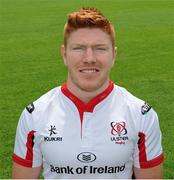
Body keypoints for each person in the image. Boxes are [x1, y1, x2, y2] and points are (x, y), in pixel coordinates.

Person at [12, 7, 164, 179]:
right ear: (64, 54)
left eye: (100, 48)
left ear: (113, 55)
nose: (89, 58)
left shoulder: (141, 114)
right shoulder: (34, 115)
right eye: (78, 48)